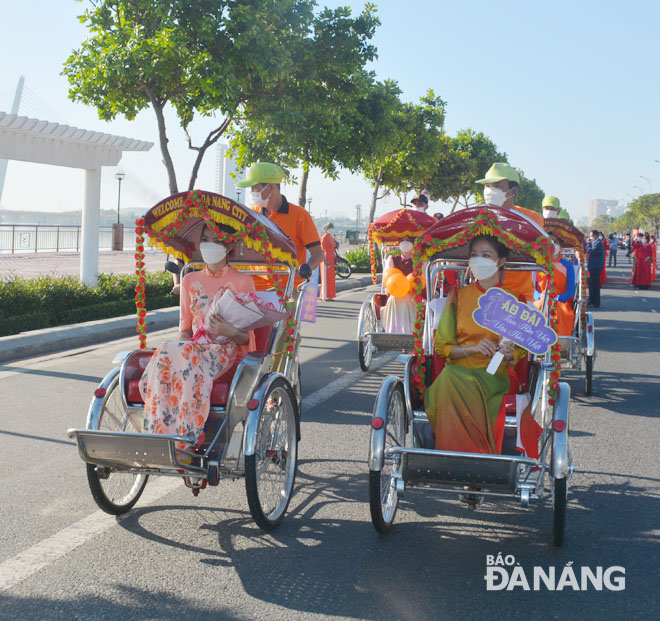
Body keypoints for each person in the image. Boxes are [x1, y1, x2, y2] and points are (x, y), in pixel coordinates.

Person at [140, 224, 257, 452]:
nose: (208, 244)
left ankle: (187, 437)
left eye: (215, 239)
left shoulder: (243, 282)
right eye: (205, 238)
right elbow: (185, 328)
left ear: (230, 244)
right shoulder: (189, 280)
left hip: (224, 351)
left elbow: (246, 338)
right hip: (193, 348)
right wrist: (183, 342)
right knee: (167, 348)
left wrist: (228, 331)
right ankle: (157, 436)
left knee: (187, 355)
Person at [424, 235, 525, 454]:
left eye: (486, 255)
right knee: (450, 377)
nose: (478, 260)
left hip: (495, 375)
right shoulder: (458, 297)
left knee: (456, 381)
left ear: (500, 262)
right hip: (458, 370)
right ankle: (458, 457)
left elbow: (522, 348)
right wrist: (472, 348)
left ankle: (466, 456)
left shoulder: (515, 300)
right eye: (474, 255)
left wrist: (510, 353)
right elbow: (443, 345)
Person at [236, 162, 324, 287]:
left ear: (271, 187)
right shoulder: (251, 214)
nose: (251, 192)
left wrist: (307, 268)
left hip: (288, 289)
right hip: (254, 288)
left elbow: (318, 253)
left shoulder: (300, 215)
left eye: (254, 188)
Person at [476, 162, 543, 301]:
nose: (490, 190)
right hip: (481, 293)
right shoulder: (477, 216)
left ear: (513, 190)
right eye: (487, 186)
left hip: (519, 297)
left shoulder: (532, 218)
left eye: (497, 186)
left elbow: (530, 252)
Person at [533, 236, 576, 336]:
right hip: (541, 301)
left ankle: (557, 345)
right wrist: (538, 296)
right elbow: (535, 288)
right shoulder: (539, 265)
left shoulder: (567, 265)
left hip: (560, 302)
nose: (552, 243)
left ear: (560, 247)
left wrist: (558, 298)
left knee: (559, 314)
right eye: (549, 241)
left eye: (555, 242)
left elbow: (570, 290)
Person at [380, 236, 420, 333]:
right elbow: (387, 280)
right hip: (395, 294)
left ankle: (409, 332)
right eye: (402, 241)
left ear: (413, 243)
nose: (405, 243)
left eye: (408, 240)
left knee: (406, 299)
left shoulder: (420, 261)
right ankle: (392, 332)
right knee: (394, 299)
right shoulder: (392, 259)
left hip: (413, 295)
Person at [586, 229, 604, 307]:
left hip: (595, 267)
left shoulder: (598, 244)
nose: (591, 237)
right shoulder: (595, 243)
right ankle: (592, 300)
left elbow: (590, 251)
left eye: (592, 235)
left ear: (596, 235)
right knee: (591, 285)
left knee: (594, 285)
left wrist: (588, 244)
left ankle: (595, 302)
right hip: (593, 267)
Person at [320, 222, 336, 301]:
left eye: (332, 228)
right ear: (326, 229)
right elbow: (322, 250)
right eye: (330, 228)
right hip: (326, 259)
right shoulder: (324, 237)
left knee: (331, 278)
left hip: (331, 259)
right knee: (326, 277)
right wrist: (324, 260)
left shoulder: (330, 237)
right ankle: (325, 295)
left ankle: (330, 295)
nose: (331, 230)